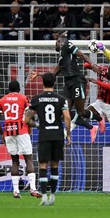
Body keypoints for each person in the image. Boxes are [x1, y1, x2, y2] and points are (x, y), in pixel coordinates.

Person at [29, 32, 103, 144]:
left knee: (81, 112)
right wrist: (39, 74)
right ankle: (92, 128)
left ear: (59, 41)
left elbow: (82, 55)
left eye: (56, 44)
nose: (55, 47)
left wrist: (92, 64)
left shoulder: (67, 44)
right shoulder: (62, 58)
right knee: (65, 112)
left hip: (77, 80)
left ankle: (99, 119)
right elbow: (52, 75)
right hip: (68, 83)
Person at [24, 73, 71, 206]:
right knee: (55, 166)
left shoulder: (36, 99)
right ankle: (52, 196)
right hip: (57, 135)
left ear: (42, 83)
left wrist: (38, 125)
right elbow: (67, 117)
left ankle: (43, 196)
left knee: (43, 165)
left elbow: (26, 119)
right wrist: (68, 134)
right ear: (54, 83)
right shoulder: (61, 99)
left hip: (44, 135)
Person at [0, 80, 42, 198]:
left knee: (14, 161)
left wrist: (2, 133)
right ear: (19, 88)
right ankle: (33, 189)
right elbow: (29, 114)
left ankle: (16, 191)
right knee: (29, 160)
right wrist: (30, 128)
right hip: (22, 131)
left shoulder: (2, 100)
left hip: (9, 132)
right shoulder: (23, 98)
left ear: (9, 89)